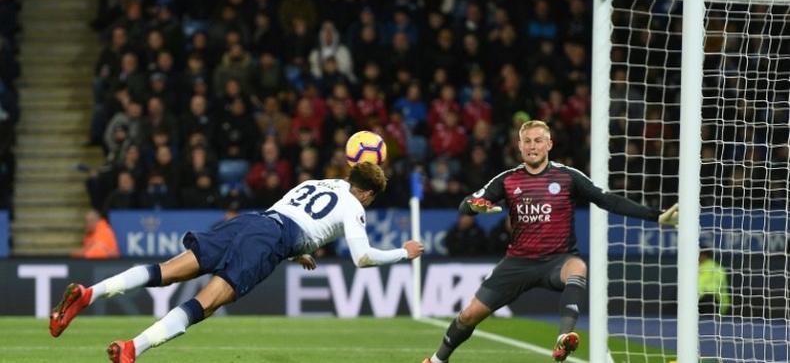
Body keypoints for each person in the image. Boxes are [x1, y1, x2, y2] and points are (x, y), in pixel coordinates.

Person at [50, 163, 424, 362]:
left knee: (165, 271)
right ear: (368, 192)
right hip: (268, 242)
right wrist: (401, 253)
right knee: (207, 303)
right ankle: (134, 349)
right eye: (372, 198)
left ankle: (88, 294)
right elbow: (361, 257)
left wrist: (298, 250)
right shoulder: (355, 205)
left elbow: (289, 215)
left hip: (251, 221)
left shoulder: (320, 182)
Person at [422, 120, 679, 363]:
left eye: (538, 140)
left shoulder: (568, 177)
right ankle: (437, 359)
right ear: (519, 146)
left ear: (549, 145)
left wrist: (655, 216)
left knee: (578, 267)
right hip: (517, 263)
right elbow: (466, 205)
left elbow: (608, 200)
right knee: (468, 316)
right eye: (527, 141)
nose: (532, 146)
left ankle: (563, 338)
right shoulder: (508, 179)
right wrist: (475, 208)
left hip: (558, 260)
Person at [698, 248, 730, 316]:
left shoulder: (716, 268)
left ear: (704, 255)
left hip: (715, 300)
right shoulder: (693, 267)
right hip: (698, 299)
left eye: (699, 254)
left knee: (709, 297)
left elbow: (717, 287)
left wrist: (700, 293)